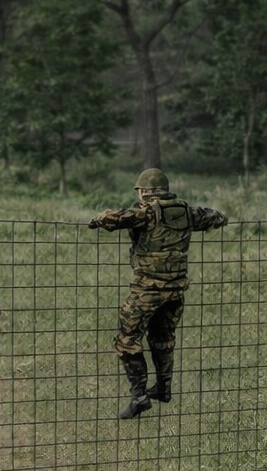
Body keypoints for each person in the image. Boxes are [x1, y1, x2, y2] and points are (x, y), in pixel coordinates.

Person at [89, 168, 228, 419]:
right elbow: (216, 217)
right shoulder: (187, 211)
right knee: (163, 338)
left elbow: (114, 218)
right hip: (175, 290)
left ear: (145, 192)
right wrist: (219, 217)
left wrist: (97, 219)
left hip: (148, 290)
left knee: (127, 340)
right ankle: (163, 388)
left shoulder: (147, 212)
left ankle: (139, 397)